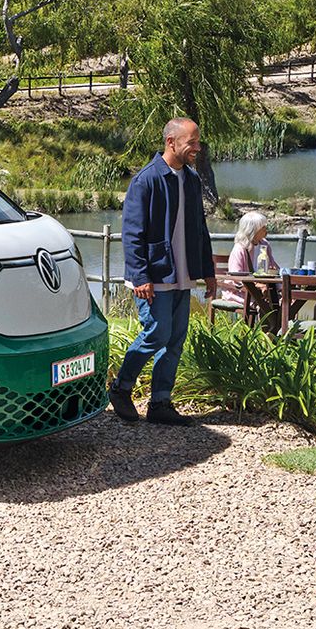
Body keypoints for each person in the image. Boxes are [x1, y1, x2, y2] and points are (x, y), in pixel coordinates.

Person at [110, 116, 210, 424]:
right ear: (171, 142)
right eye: (191, 142)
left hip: (182, 275)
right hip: (154, 276)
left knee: (176, 339)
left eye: (197, 142)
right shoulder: (147, 179)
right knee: (157, 333)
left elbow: (200, 229)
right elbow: (132, 232)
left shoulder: (191, 180)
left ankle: (160, 404)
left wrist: (209, 272)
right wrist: (140, 276)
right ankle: (121, 388)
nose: (197, 148)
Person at [216, 208, 278, 311]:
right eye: (263, 227)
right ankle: (267, 326)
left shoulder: (265, 245)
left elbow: (274, 268)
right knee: (266, 306)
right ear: (254, 229)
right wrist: (258, 286)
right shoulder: (240, 249)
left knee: (283, 302)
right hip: (242, 292)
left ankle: (278, 326)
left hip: (264, 290)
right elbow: (235, 278)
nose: (266, 229)